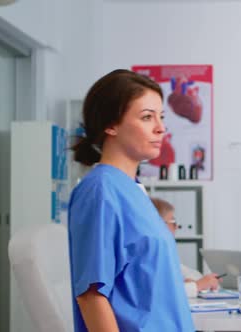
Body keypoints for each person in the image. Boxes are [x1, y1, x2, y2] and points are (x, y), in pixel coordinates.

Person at [68, 69, 194, 331]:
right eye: (147, 117)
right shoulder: (101, 190)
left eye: (161, 117)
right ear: (111, 124)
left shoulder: (133, 190)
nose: (160, 128)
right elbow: (91, 295)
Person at [150, 196, 221, 297]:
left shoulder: (161, 252)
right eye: (173, 222)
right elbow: (159, 294)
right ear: (158, 224)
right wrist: (197, 286)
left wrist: (189, 283)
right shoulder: (146, 256)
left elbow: (191, 275)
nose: (177, 227)